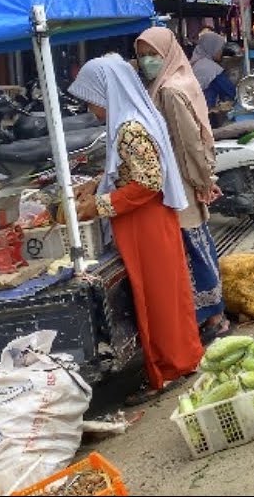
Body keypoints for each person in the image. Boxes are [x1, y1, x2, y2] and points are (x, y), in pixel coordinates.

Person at [69, 55, 203, 406]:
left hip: (146, 223)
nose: (89, 107)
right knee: (168, 295)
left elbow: (147, 183)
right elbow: (131, 171)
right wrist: (97, 184)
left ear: (106, 92)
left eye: (90, 99)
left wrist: (97, 205)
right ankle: (179, 360)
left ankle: (172, 368)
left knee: (159, 298)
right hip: (151, 221)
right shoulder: (129, 120)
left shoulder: (129, 128)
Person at [134, 27, 229, 343]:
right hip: (181, 178)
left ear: (168, 53)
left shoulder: (169, 91)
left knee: (194, 249)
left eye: (153, 55)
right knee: (199, 245)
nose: (147, 61)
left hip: (182, 180)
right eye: (143, 55)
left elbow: (189, 141)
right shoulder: (170, 82)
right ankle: (213, 314)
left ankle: (213, 317)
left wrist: (202, 179)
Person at [190, 30, 237, 110]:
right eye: (220, 48)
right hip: (207, 113)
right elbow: (232, 92)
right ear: (212, 47)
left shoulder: (197, 62)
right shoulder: (209, 68)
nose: (221, 52)